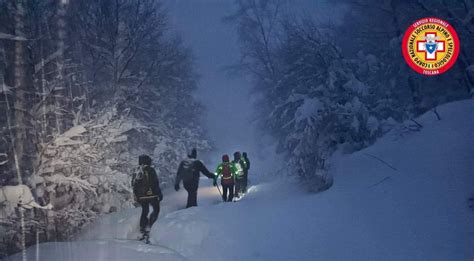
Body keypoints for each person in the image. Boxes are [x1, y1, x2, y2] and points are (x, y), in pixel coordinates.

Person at [132, 154, 163, 242]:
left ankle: (142, 228)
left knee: (145, 210)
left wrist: (137, 196)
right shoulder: (151, 170)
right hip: (152, 195)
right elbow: (155, 183)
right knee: (156, 209)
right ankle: (150, 225)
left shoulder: (136, 171)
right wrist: (159, 194)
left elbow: (133, 184)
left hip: (141, 197)